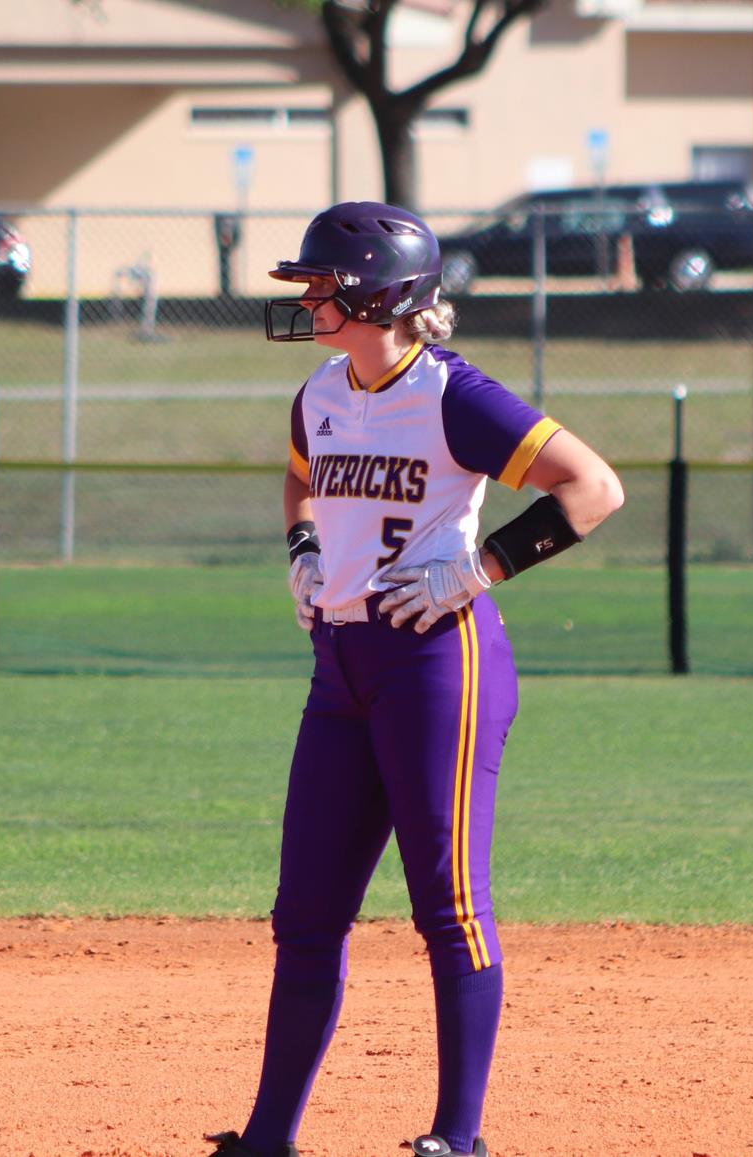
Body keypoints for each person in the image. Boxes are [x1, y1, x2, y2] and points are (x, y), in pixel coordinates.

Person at [206, 202, 626, 1157]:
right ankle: (267, 1139)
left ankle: (458, 1137)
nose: (310, 297)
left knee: (449, 905)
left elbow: (593, 487)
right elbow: (301, 476)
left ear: (380, 294)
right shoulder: (320, 389)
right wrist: (305, 549)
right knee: (305, 911)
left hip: (440, 659)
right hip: (341, 664)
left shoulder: (451, 395)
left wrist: (480, 568)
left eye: (325, 283)